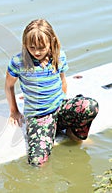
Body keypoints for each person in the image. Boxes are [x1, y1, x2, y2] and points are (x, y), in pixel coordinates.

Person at [5, 19, 99, 166]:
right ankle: (50, 130)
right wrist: (14, 111)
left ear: (51, 42)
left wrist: (65, 107)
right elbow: (8, 86)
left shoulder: (59, 56)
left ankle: (74, 135)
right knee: (37, 162)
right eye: (32, 47)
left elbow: (63, 81)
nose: (36, 52)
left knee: (90, 106)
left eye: (41, 48)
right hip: (39, 116)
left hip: (59, 108)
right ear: (25, 44)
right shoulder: (19, 62)